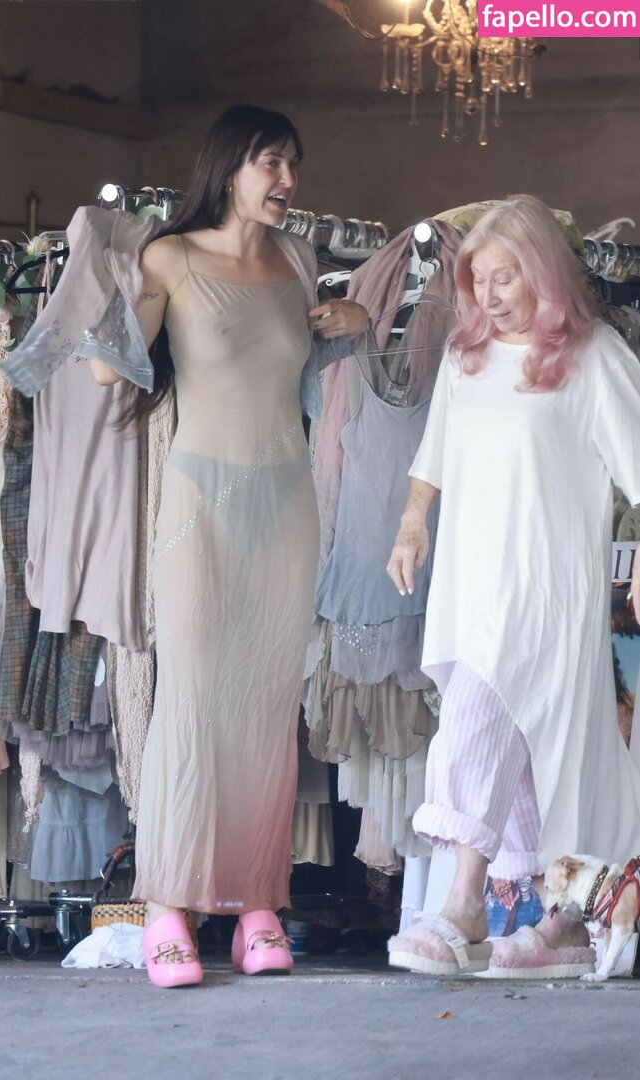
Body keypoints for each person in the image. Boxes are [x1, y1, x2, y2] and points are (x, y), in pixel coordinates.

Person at [89, 105, 368, 987]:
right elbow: (104, 367)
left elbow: (302, 366)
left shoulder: (297, 259)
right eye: (271, 163)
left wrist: (352, 316)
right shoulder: (169, 256)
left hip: (286, 504)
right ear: (230, 167)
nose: (287, 180)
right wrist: (126, 297)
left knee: (264, 702)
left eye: (292, 164)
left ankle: (256, 905)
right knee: (194, 695)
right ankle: (164, 905)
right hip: (199, 502)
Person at [385, 194, 640, 978]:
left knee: (483, 723)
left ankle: (461, 906)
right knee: (532, 752)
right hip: (471, 583)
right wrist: (412, 522)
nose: (488, 295)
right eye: (478, 279)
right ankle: (562, 923)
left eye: (505, 277)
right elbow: (435, 453)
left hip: (546, 587)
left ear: (543, 273)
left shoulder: (591, 357)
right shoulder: (465, 358)